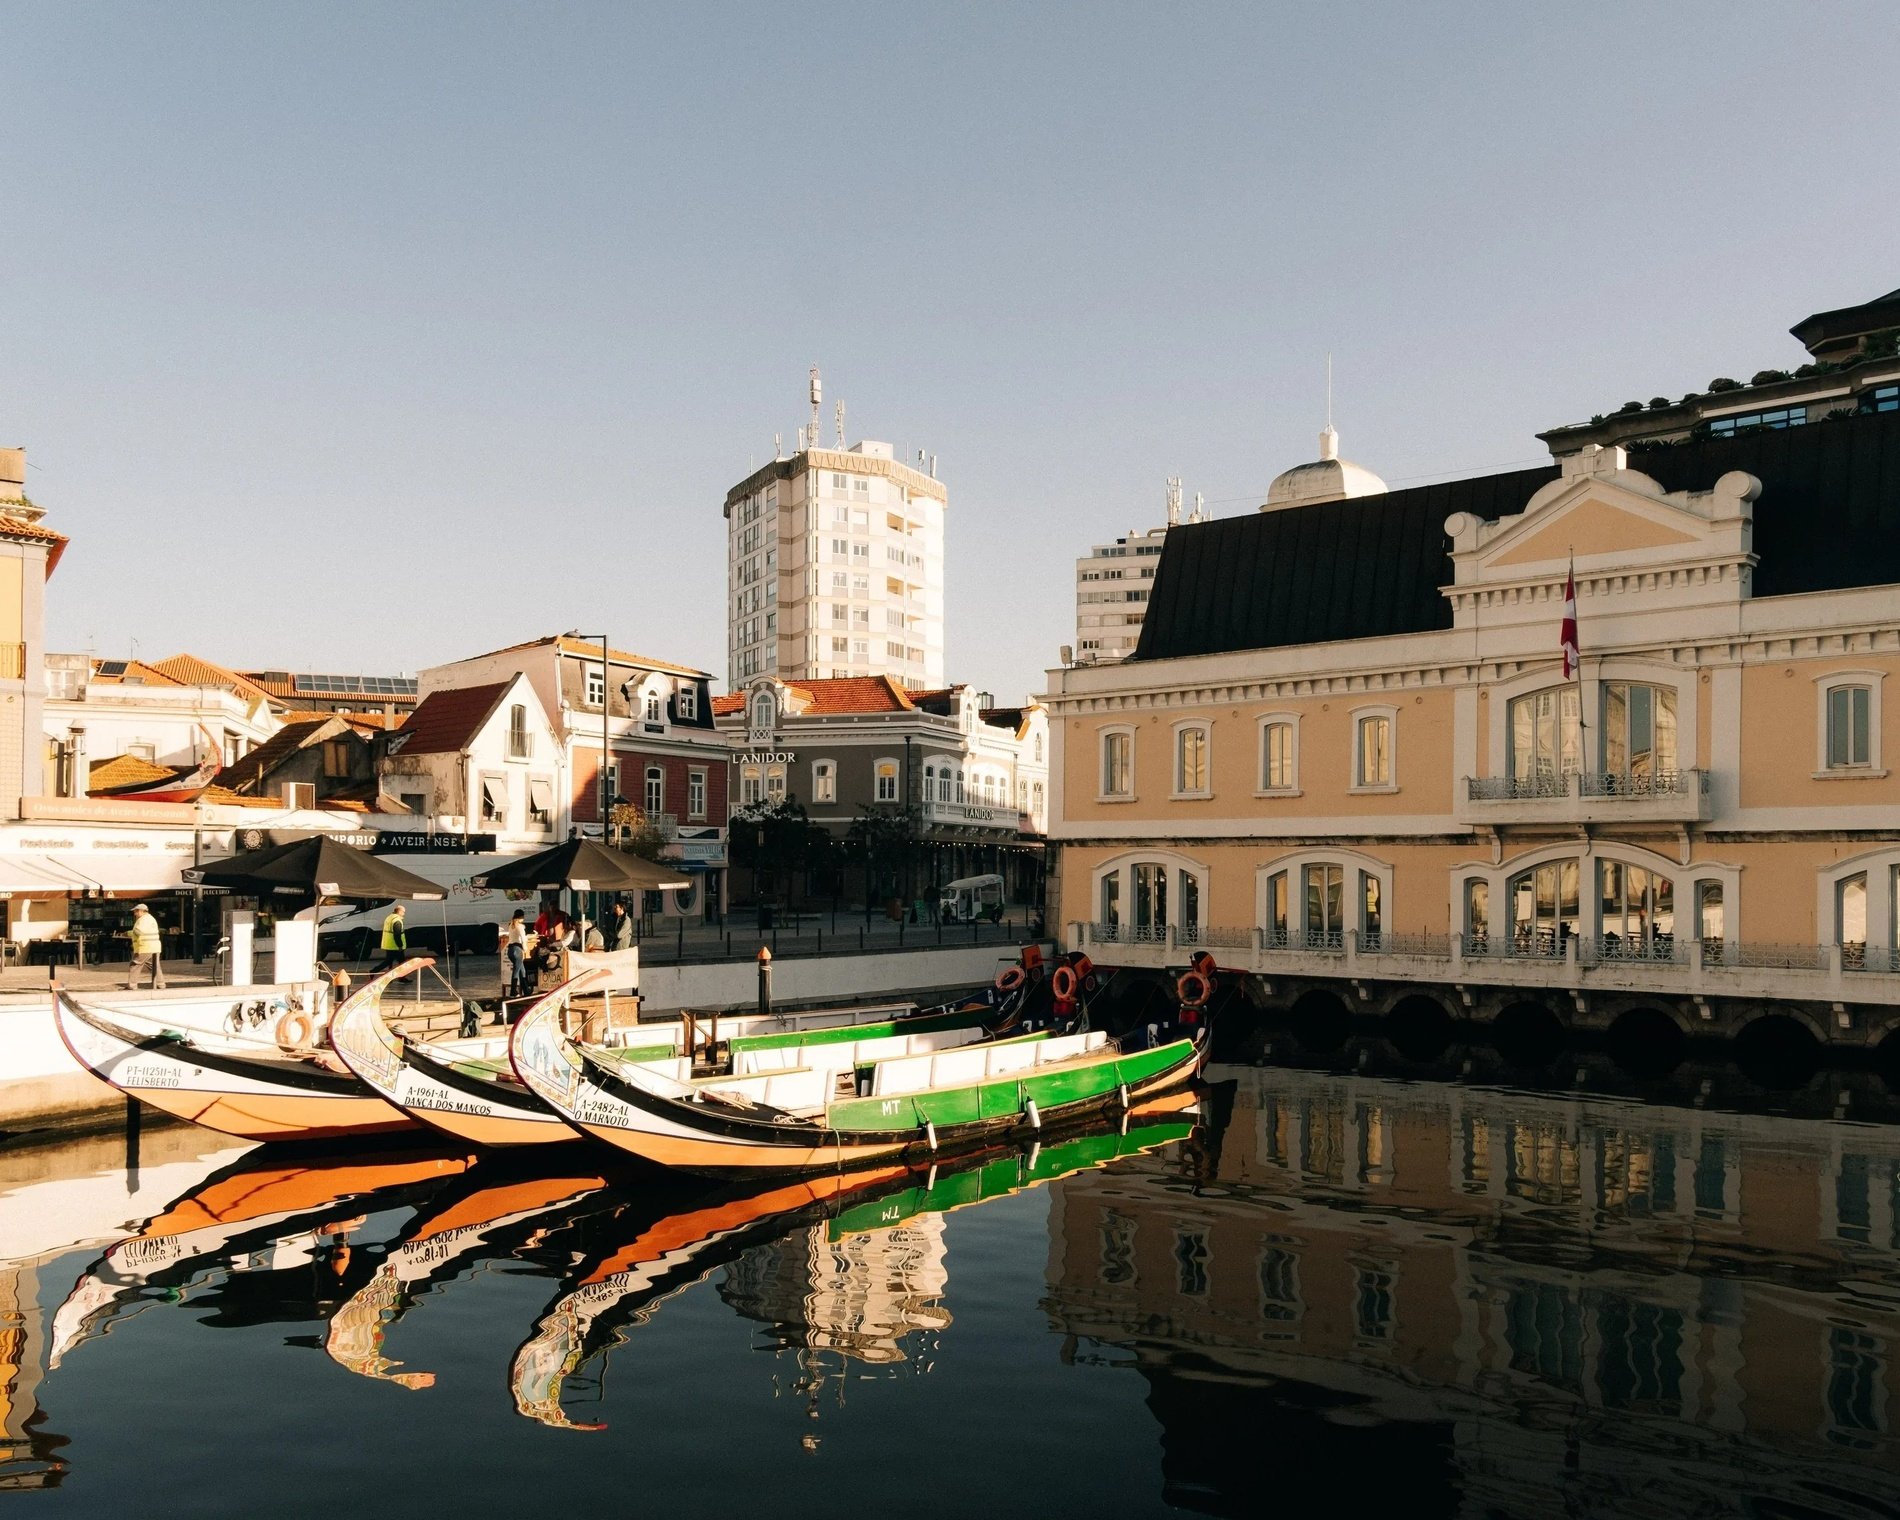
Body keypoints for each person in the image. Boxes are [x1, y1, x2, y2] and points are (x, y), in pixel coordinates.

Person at [125, 902, 165, 990]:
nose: (134, 914)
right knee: (154, 966)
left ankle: (132, 985)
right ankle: (161, 984)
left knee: (135, 965)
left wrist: (129, 933)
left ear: (141, 911)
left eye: (136, 911)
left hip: (144, 947)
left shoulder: (143, 919)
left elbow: (139, 932)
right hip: (154, 947)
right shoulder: (151, 918)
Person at [377, 903, 407, 973]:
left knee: (389, 962)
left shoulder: (389, 917)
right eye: (403, 912)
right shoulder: (397, 921)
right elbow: (397, 935)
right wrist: (400, 946)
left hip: (388, 944)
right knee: (401, 962)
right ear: (399, 911)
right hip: (395, 946)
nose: (404, 914)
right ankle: (402, 977)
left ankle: (377, 972)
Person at [505, 911, 528, 1000]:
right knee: (516, 971)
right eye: (523, 917)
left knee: (522, 971)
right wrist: (525, 949)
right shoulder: (520, 927)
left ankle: (526, 990)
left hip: (510, 950)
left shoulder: (511, 925)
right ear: (520, 917)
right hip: (517, 950)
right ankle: (513, 991)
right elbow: (523, 939)